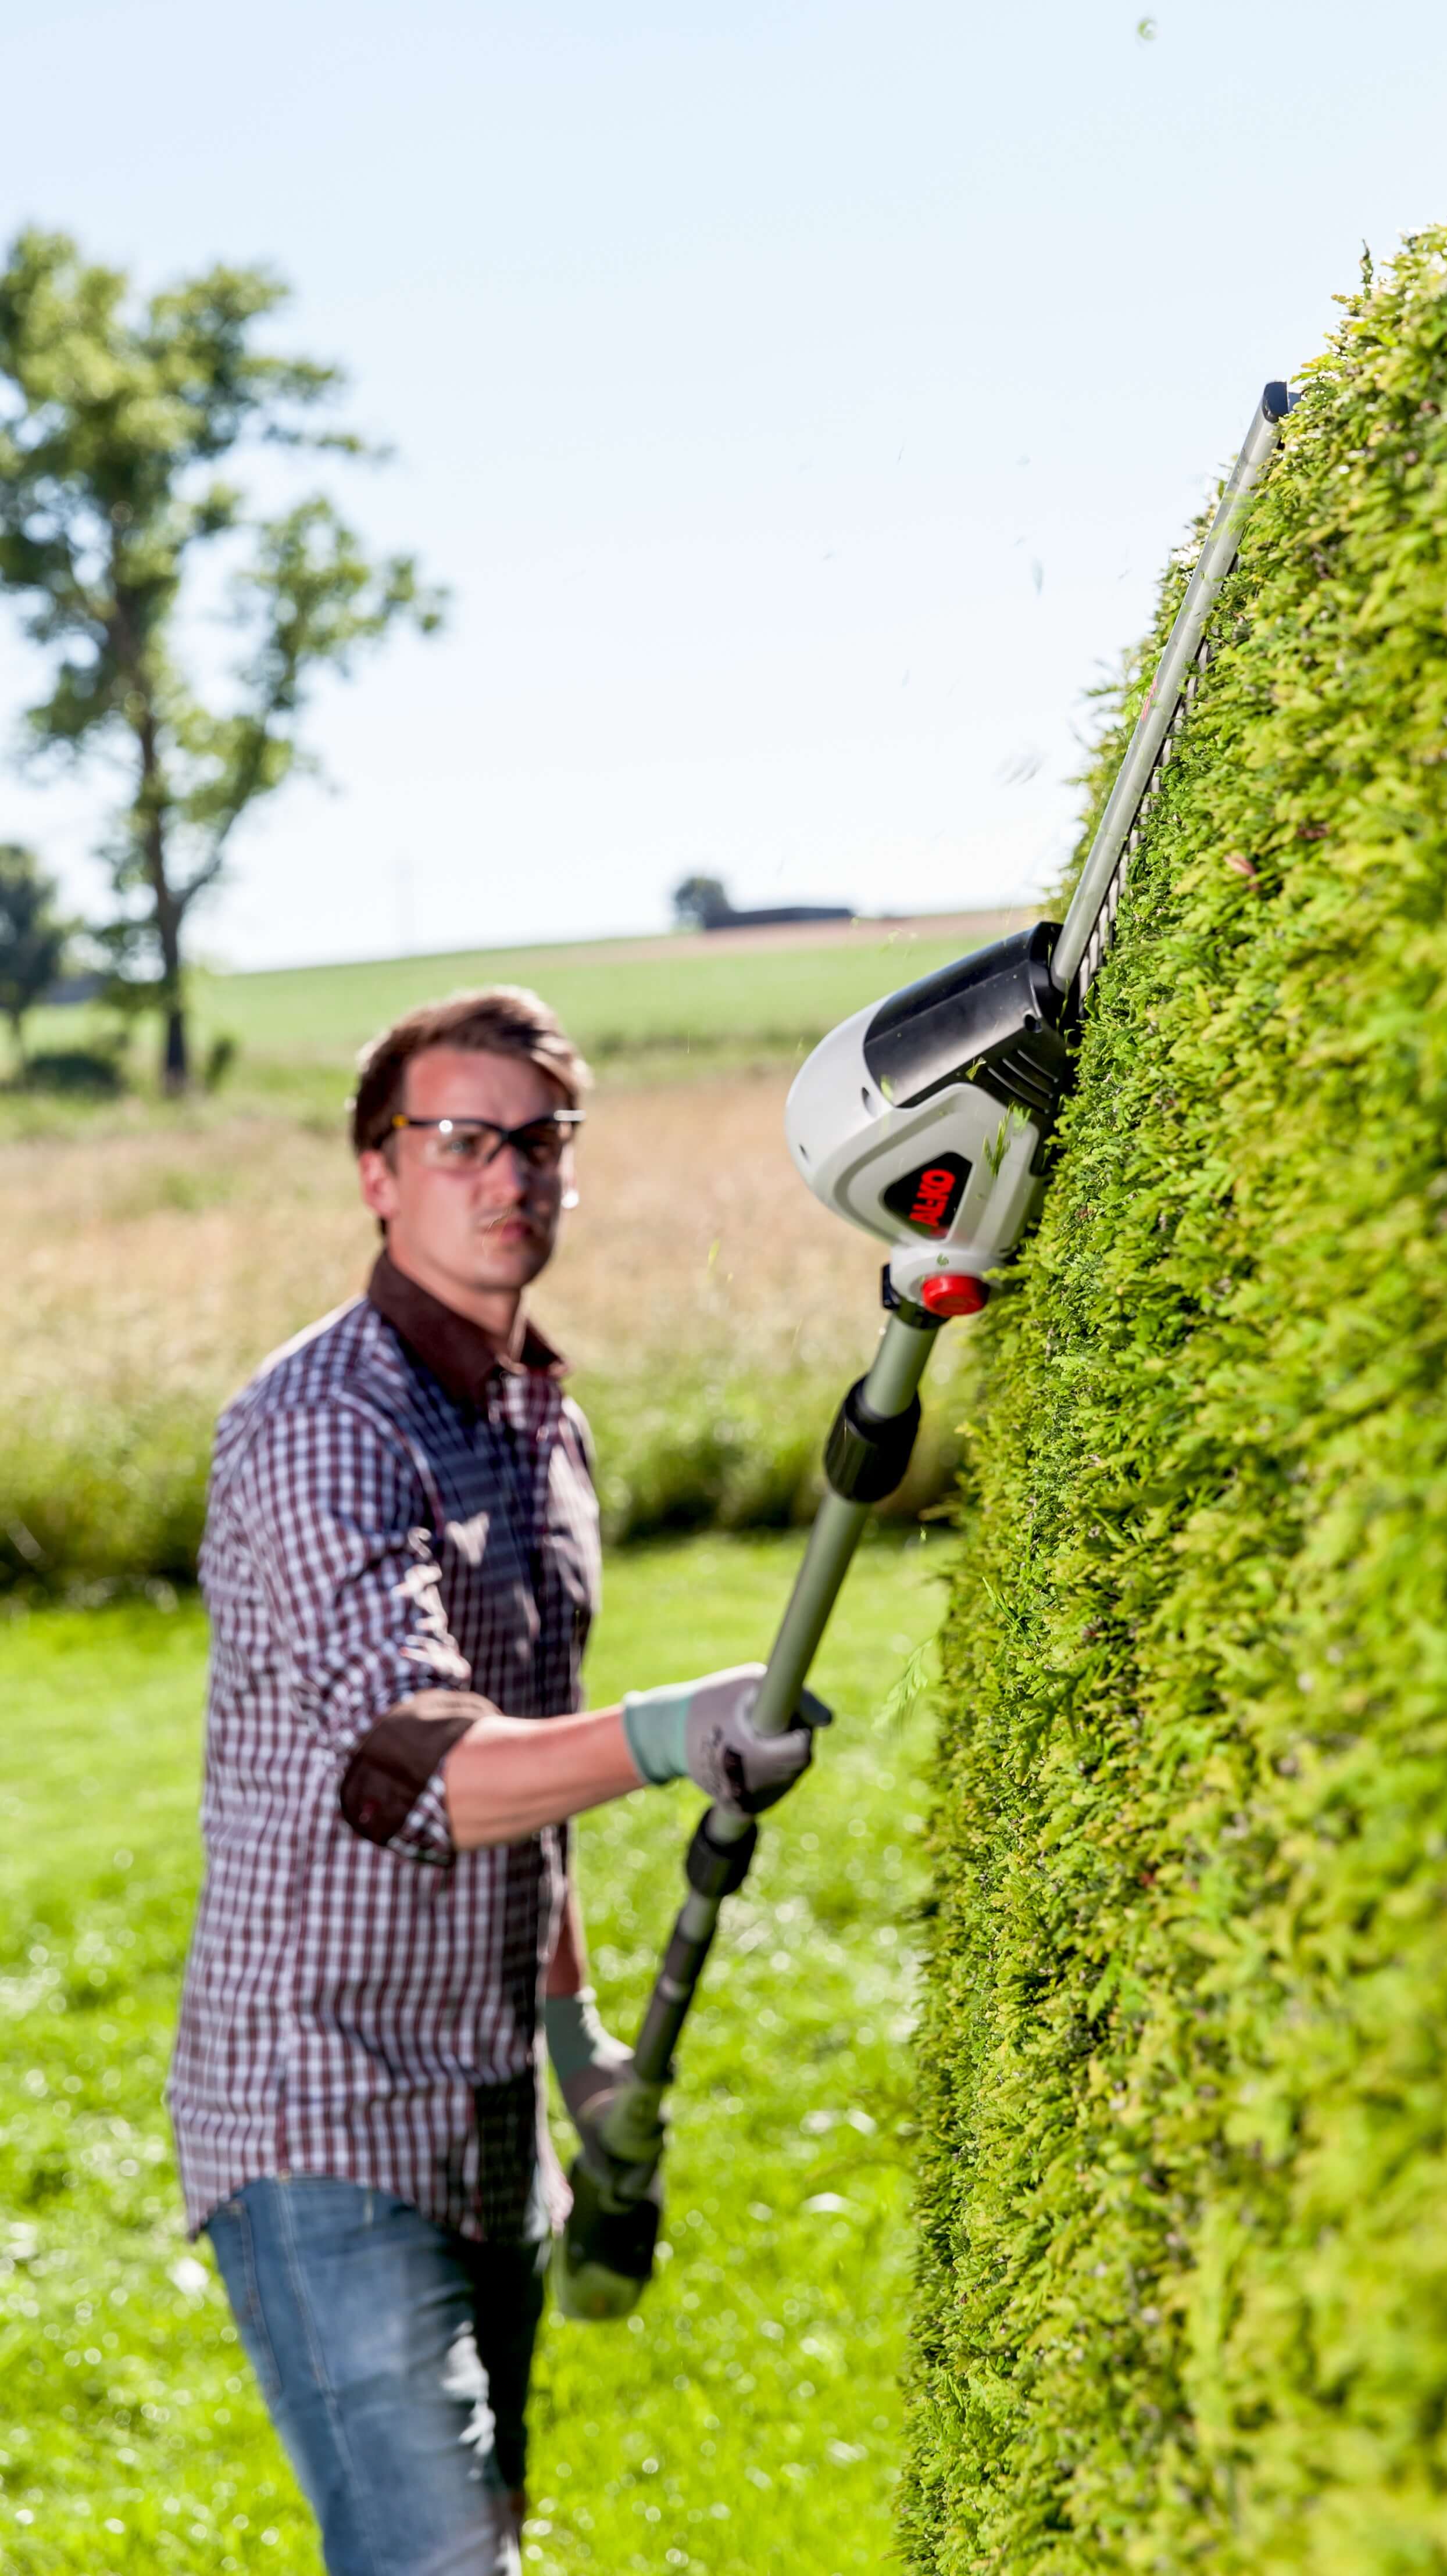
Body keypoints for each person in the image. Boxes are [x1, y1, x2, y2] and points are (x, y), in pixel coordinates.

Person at [168, 988, 826, 2576]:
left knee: (483, 2541)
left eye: (540, 1142)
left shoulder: (542, 1424)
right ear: (378, 1174)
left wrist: (568, 2031)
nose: (506, 1175)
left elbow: (526, 1743)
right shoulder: (330, 1429)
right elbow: (428, 1778)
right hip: (319, 2107)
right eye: (460, 1139)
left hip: (481, 2107)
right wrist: (669, 1734)